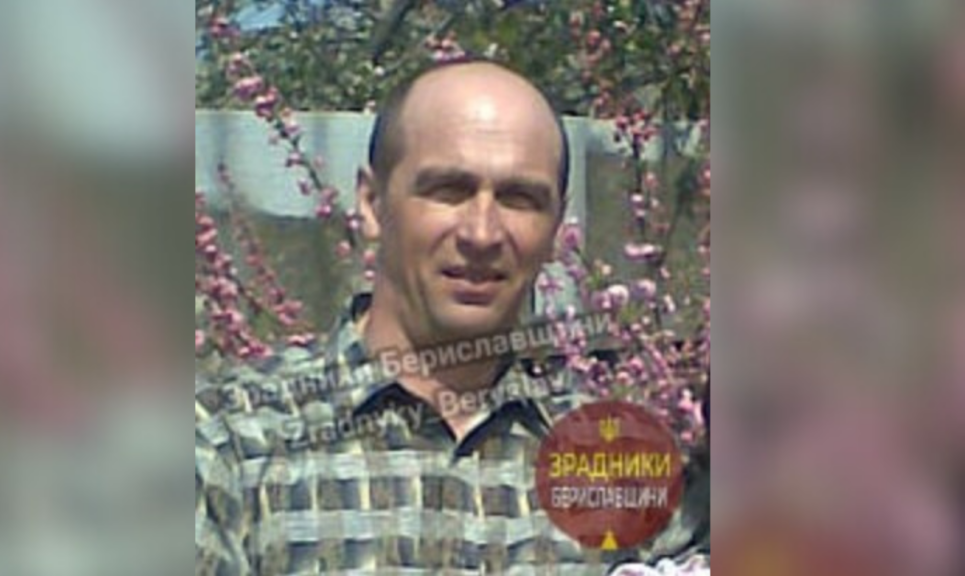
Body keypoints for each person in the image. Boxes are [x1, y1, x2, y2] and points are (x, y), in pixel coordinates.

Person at [196, 58, 707, 575]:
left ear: (557, 227)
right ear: (372, 204)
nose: (481, 233)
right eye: (448, 191)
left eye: (519, 199)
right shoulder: (232, 443)